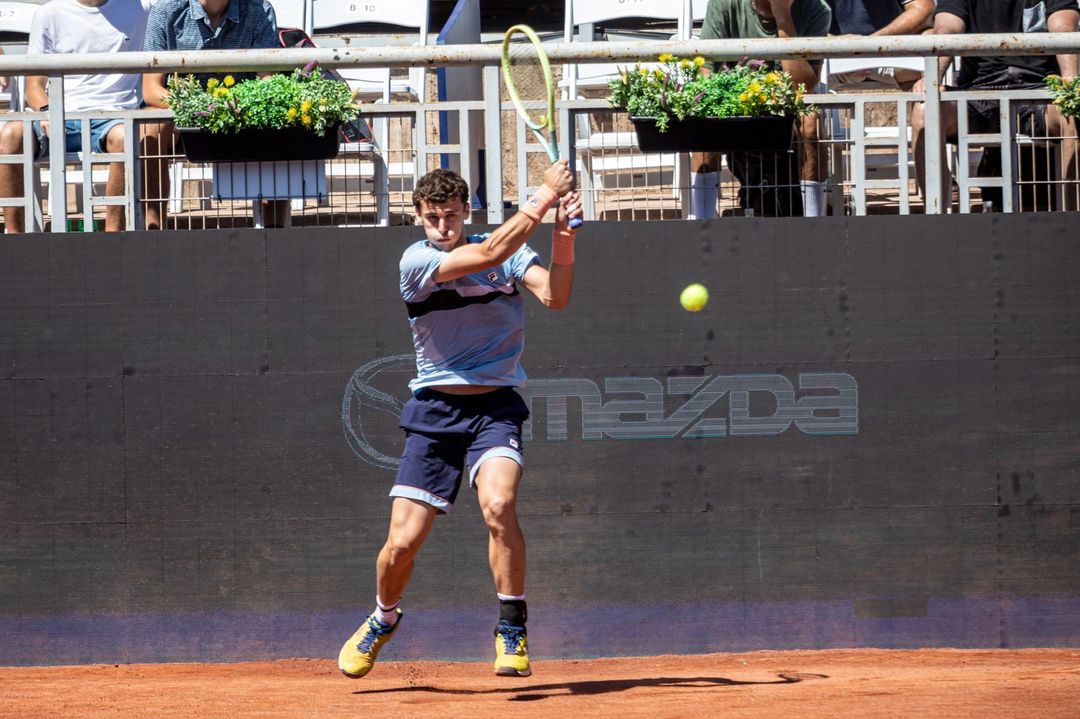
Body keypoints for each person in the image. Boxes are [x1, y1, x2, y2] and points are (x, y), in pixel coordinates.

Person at [337, 161, 579, 680]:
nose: (443, 227)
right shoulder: (416, 261)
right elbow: (490, 253)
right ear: (419, 219)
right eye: (432, 218)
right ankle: (383, 618)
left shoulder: (509, 254)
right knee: (401, 543)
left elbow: (555, 296)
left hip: (495, 408)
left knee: (498, 505)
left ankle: (511, 626)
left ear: (466, 211)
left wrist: (562, 236)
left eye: (451, 215)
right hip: (435, 414)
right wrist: (544, 196)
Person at [910, 0, 1079, 211]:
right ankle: (936, 219)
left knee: (1072, 112)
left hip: (1038, 92)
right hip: (977, 92)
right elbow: (946, 28)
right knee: (925, 112)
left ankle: (1073, 215)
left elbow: (1064, 27)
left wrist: (1070, 79)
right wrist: (932, 77)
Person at [0, 0, 152, 233]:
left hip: (112, 117)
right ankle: (16, 237)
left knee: (125, 138)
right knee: (11, 135)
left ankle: (113, 237)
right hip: (58, 113)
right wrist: (47, 111)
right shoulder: (50, 13)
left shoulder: (141, 7)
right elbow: (34, 87)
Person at [141, 0, 289, 227]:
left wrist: (235, 107)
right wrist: (197, 106)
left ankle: (273, 231)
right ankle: (154, 230)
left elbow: (267, 82)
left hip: (243, 113)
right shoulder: (166, 10)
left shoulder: (260, 9)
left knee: (275, 116)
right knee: (150, 128)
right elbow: (151, 90)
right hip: (182, 116)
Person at [691, 0, 832, 219]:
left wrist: (783, 19)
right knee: (705, 119)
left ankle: (814, 222)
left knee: (810, 121)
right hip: (734, 100)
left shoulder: (817, 9)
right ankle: (701, 223)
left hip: (786, 104)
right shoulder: (724, 3)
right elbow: (705, 73)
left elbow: (802, 86)